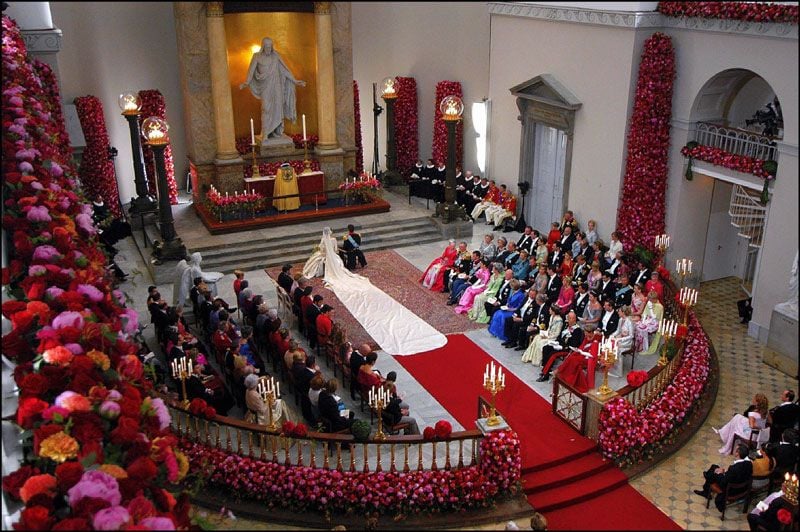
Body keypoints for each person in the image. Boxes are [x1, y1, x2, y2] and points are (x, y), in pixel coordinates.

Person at [240, 37, 306, 140]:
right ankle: (266, 132)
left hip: (276, 86)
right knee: (266, 108)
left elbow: (284, 70)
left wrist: (295, 80)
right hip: (265, 87)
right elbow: (251, 71)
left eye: (270, 47)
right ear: (263, 46)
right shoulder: (256, 56)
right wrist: (246, 82)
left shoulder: (276, 56)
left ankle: (277, 131)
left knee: (278, 107)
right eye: (266, 46)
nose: (268, 49)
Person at [694, 443, 753, 512]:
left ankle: (707, 480)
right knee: (714, 466)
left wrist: (720, 473)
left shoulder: (734, 468)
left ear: (737, 453)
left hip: (731, 489)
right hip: (742, 487)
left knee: (713, 472)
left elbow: (724, 481)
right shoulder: (749, 464)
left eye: (735, 449)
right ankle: (708, 477)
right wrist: (724, 472)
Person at [537, 310, 584, 382]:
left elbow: (574, 344)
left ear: (574, 319)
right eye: (568, 318)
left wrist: (562, 346)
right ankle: (545, 368)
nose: (568, 319)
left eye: (569, 318)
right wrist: (556, 342)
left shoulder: (577, 330)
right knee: (546, 348)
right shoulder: (566, 326)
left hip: (566, 348)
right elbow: (560, 336)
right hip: (559, 344)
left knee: (552, 354)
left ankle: (545, 374)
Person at [608, 305, 634, 377]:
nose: (618, 312)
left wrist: (620, 339)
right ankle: (610, 365)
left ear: (623, 312)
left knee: (616, 349)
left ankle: (617, 372)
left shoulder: (629, 322)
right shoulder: (620, 320)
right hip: (620, 339)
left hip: (627, 342)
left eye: (619, 311)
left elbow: (631, 336)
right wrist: (612, 335)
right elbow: (618, 330)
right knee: (609, 344)